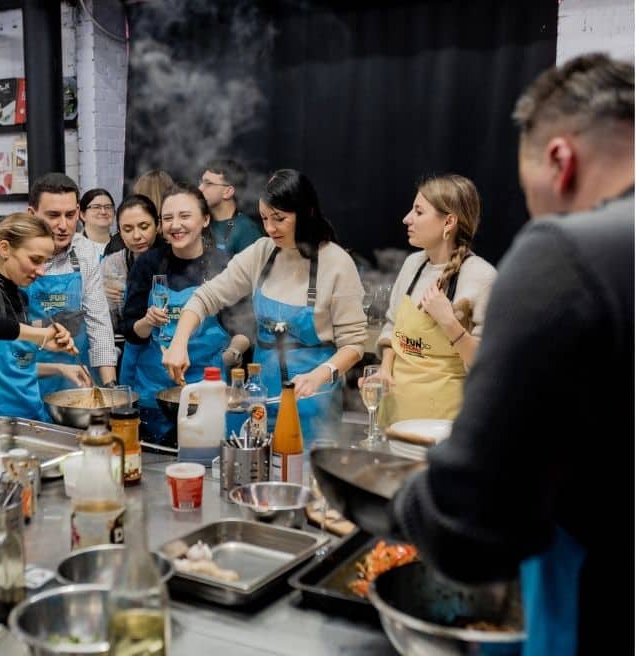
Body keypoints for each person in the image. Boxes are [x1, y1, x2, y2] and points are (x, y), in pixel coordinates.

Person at [390, 53, 633, 656]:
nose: (535, 212)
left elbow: (474, 519)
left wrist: (400, 507)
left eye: (532, 193)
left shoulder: (568, 253)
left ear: (560, 159)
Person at [165, 169, 367, 445]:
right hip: (261, 402)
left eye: (279, 219)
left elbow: (354, 345)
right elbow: (206, 297)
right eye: (264, 218)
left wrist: (319, 375)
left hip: (313, 406)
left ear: (306, 213)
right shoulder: (262, 252)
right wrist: (179, 342)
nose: (270, 228)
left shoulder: (336, 262)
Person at [122, 183, 252, 445]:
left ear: (205, 220)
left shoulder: (225, 266)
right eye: (168, 218)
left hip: (206, 391)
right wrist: (147, 321)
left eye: (184, 216)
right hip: (153, 395)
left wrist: (232, 353)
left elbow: (245, 330)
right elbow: (130, 330)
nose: (175, 225)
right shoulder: (148, 264)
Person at [374, 174, 497, 425]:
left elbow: (486, 364)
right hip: (394, 417)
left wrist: (449, 322)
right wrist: (384, 370)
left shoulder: (482, 277)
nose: (407, 218)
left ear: (449, 222)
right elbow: (391, 326)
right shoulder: (412, 264)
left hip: (444, 425)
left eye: (418, 212)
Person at [0, 214, 79, 419]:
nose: (41, 271)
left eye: (45, 262)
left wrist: (59, 368)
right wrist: (39, 335)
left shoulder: (20, 297)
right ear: (5, 248)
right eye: (35, 260)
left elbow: (16, 367)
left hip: (33, 419)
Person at [27, 173, 117, 396]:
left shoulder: (85, 252)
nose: (63, 225)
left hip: (77, 382)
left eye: (70, 215)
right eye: (53, 215)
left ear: (78, 211)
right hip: (28, 381)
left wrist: (110, 387)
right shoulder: (17, 254)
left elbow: (99, 323)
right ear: (32, 214)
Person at [101, 194, 161, 384]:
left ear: (157, 225)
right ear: (119, 232)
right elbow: (106, 324)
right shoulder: (112, 265)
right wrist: (104, 298)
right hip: (131, 353)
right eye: (127, 229)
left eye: (144, 227)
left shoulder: (172, 259)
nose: (136, 236)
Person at [199, 158, 264, 255]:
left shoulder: (247, 231)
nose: (200, 188)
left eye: (208, 183)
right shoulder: (200, 222)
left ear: (228, 192)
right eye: (201, 182)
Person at [78, 187, 116, 257]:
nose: (103, 212)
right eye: (96, 207)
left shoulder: (124, 244)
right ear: (82, 215)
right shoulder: (73, 246)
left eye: (108, 207)